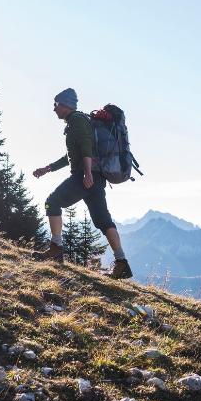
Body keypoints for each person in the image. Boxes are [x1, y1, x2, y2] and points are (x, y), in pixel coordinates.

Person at [31, 88, 133, 279]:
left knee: (52, 202)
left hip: (85, 176)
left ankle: (56, 248)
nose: (54, 109)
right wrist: (48, 168)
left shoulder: (77, 120)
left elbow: (86, 147)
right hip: (96, 178)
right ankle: (122, 263)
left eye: (56, 104)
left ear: (65, 104)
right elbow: (72, 154)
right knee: (103, 221)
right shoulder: (79, 121)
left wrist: (86, 173)